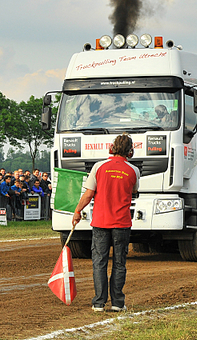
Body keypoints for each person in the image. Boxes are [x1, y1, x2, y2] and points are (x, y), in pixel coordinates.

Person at [72, 134, 139, 313]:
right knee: (119, 263)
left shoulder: (98, 167)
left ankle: (99, 302)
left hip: (101, 222)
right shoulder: (133, 170)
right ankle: (117, 302)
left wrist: (77, 211)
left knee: (99, 262)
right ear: (130, 151)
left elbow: (88, 195)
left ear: (112, 148)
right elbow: (134, 191)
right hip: (122, 223)